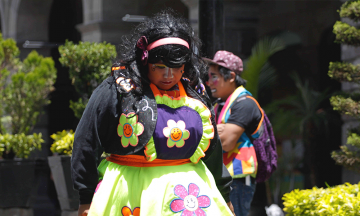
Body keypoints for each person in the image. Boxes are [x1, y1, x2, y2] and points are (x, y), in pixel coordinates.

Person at [71, 11, 234, 216]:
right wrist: (85, 198)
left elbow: (212, 150)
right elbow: (87, 141)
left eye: (177, 68)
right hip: (130, 195)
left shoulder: (194, 94)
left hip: (189, 198)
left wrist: (224, 195)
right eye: (160, 67)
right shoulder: (117, 89)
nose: (169, 75)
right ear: (144, 60)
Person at [205, 51, 264, 216]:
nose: (209, 82)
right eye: (208, 77)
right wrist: (218, 130)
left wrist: (209, 131)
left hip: (237, 180)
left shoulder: (245, 104)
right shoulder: (220, 105)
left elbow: (226, 143)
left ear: (231, 77)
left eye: (214, 76)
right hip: (224, 177)